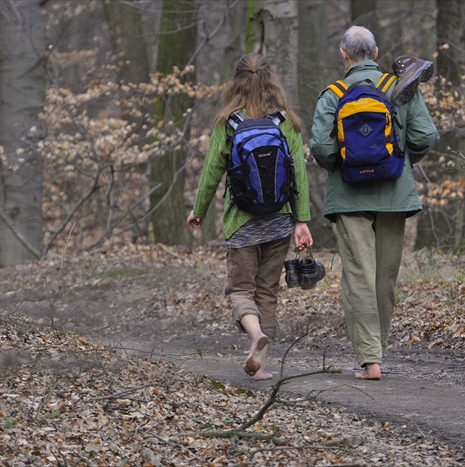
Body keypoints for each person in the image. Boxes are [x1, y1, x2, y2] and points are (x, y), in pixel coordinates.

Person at [309, 26, 439, 381]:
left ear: (344, 54)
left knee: (359, 276)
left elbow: (320, 148)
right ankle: (377, 353)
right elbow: (426, 135)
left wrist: (342, 165)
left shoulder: (333, 94)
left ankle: (370, 361)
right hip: (394, 193)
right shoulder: (400, 88)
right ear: (377, 51)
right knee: (385, 276)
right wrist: (400, 160)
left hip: (349, 195)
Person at [187, 53, 313, 381]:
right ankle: (261, 366)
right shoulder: (286, 120)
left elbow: (212, 171)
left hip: (241, 221)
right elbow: (298, 172)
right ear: (271, 80)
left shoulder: (228, 122)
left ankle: (255, 333)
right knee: (267, 289)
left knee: (241, 290)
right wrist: (302, 220)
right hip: (280, 219)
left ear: (236, 82)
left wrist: (198, 211)